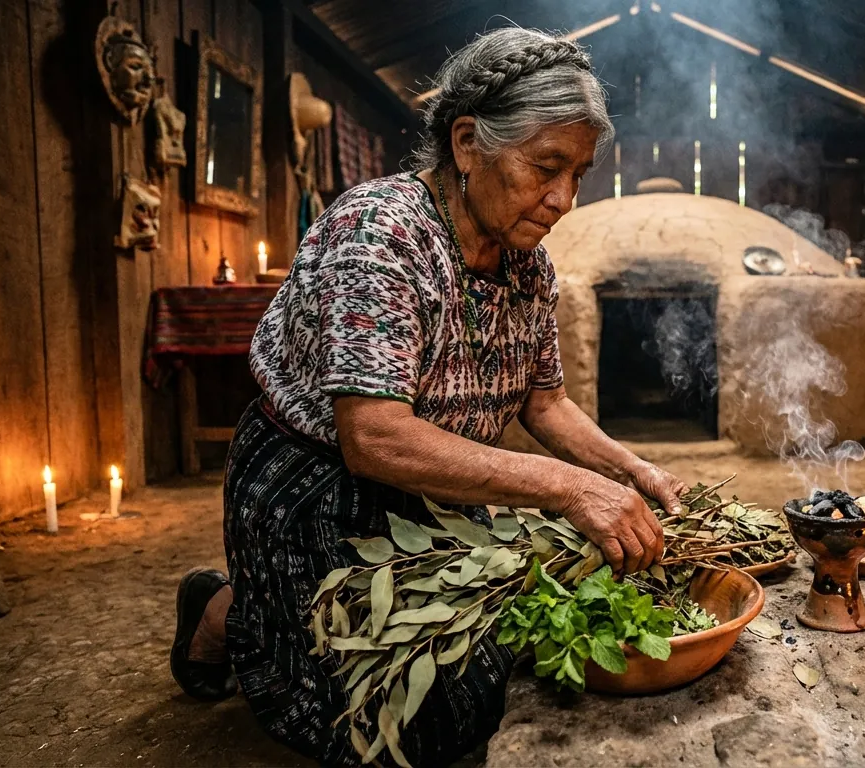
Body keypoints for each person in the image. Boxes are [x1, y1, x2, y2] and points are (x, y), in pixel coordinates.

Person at [169, 28, 687, 767]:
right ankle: (226, 610)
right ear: (468, 141)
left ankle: (246, 604)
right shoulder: (379, 235)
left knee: (513, 655)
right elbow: (374, 436)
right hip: (318, 482)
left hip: (438, 482)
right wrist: (571, 489)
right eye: (546, 167)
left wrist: (630, 471)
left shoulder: (527, 267)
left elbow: (544, 404)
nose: (564, 199)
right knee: (409, 721)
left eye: (578, 174)